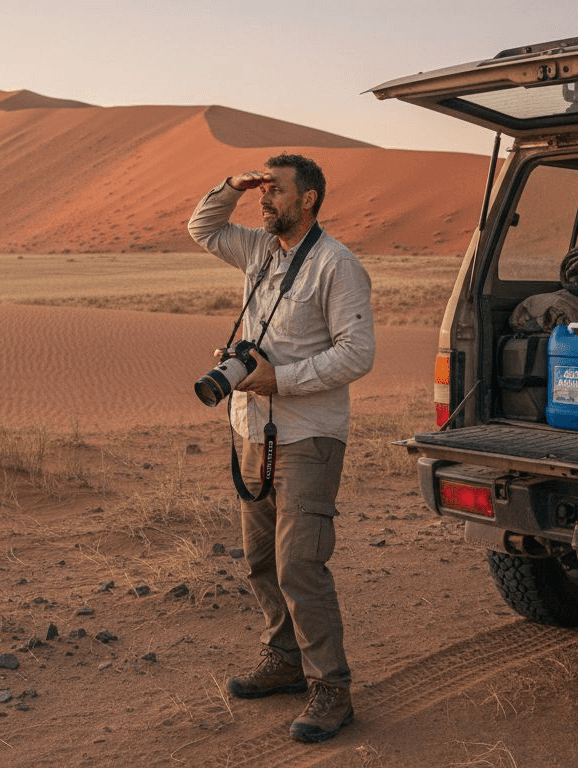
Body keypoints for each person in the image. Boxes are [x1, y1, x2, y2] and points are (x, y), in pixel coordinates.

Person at [187, 154, 375, 743]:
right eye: (261, 190)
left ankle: (331, 688)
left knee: (300, 564)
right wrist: (230, 186)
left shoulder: (336, 266)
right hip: (252, 428)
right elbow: (203, 228)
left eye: (276, 191)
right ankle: (285, 660)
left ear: (310, 199)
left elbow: (356, 352)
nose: (265, 200)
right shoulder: (258, 249)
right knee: (261, 558)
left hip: (307, 434)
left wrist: (281, 380)